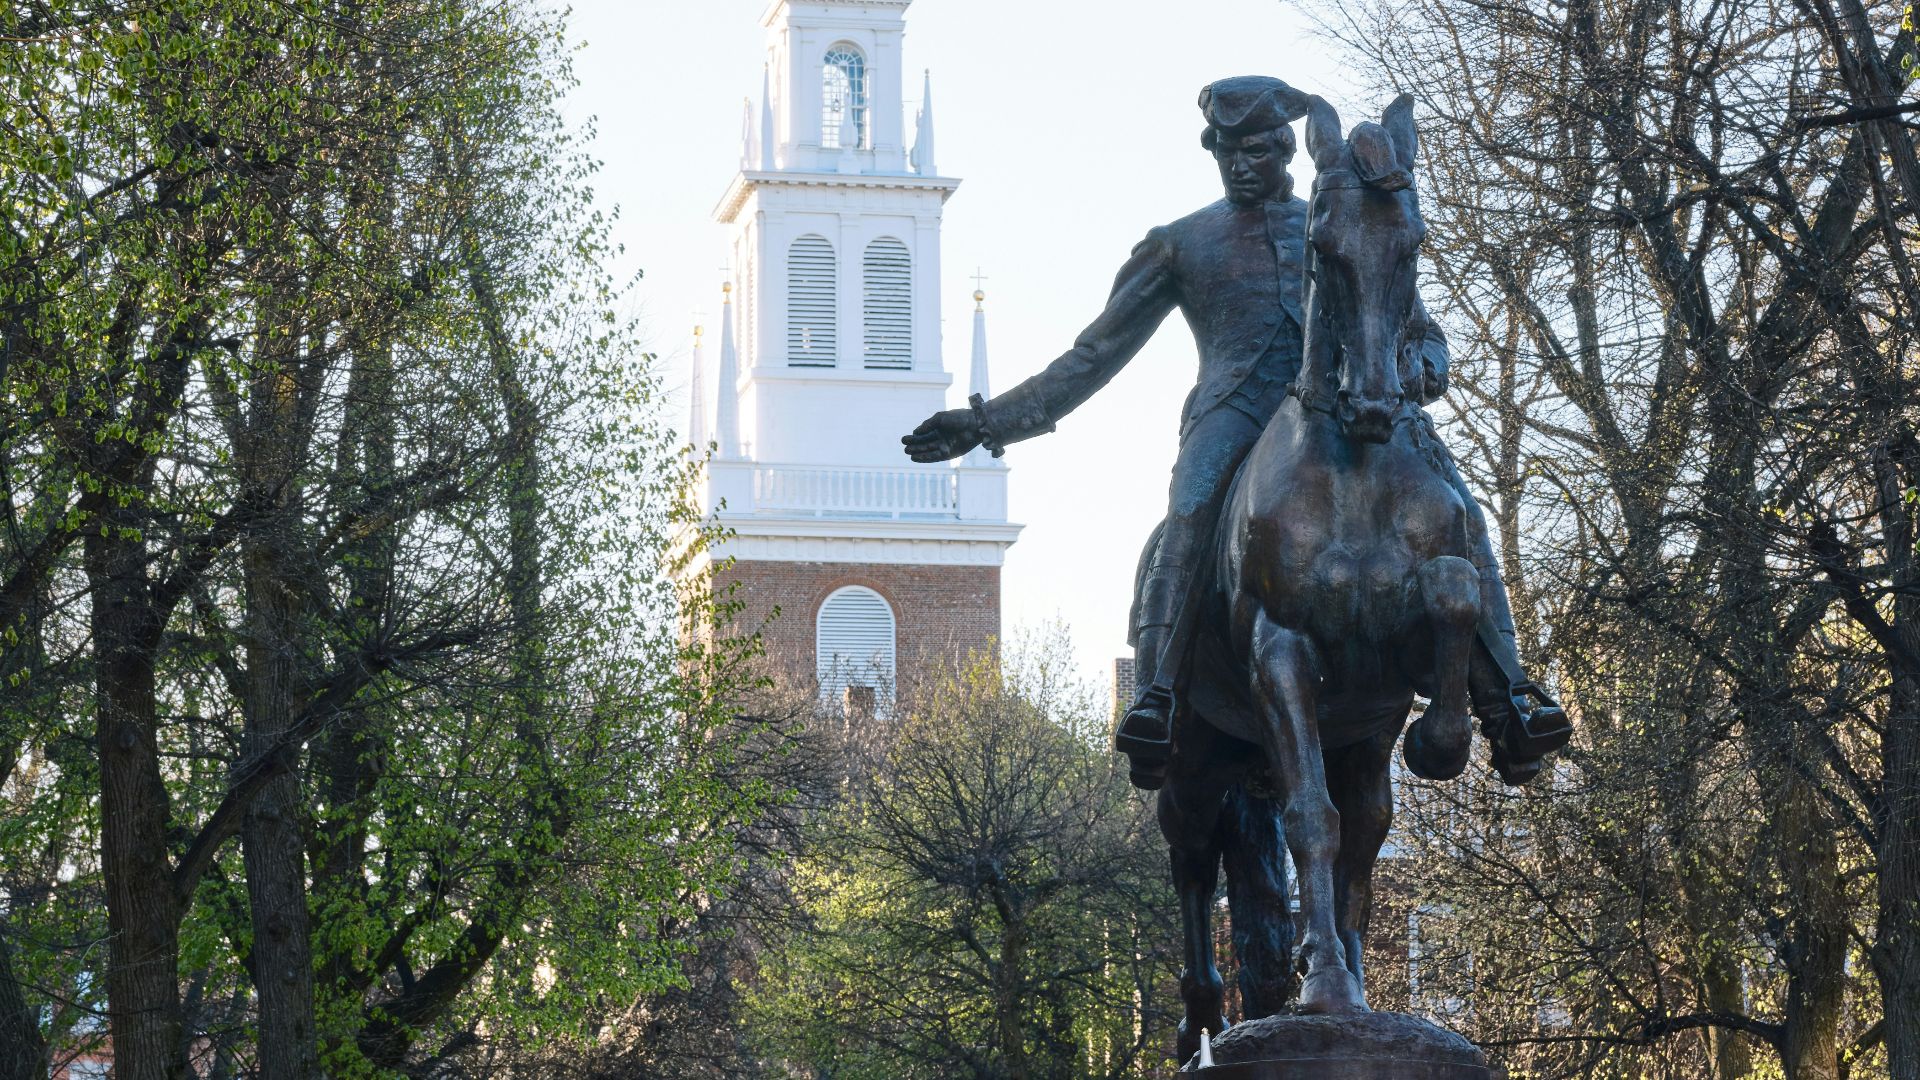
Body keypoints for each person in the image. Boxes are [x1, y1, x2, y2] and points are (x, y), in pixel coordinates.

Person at [903, 77, 1567, 788]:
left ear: (1286, 149)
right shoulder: (1179, 244)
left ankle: (1507, 696)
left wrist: (1424, 364)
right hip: (1235, 412)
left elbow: (1410, 314)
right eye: (1227, 151)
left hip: (1346, 409)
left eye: (1256, 149)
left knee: (1457, 509)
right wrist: (985, 422)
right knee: (1188, 514)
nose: (1242, 164)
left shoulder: (1337, 214)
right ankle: (1157, 695)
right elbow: (1093, 356)